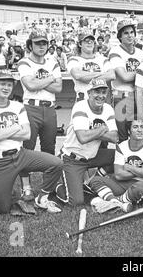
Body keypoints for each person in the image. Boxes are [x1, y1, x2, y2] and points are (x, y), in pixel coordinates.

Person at [0, 71, 63, 214]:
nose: (6, 88)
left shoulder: (17, 106)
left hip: (21, 155)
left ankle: (42, 197)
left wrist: (1, 133)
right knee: (2, 209)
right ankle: (8, 193)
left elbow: (26, 134)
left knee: (56, 163)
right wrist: (15, 128)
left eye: (9, 85)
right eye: (2, 84)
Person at [55, 78, 118, 206]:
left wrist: (92, 132)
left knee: (119, 155)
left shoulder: (108, 108)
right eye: (96, 92)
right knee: (76, 201)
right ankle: (56, 187)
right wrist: (102, 129)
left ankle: (93, 179)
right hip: (72, 159)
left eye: (103, 92)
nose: (100, 96)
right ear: (89, 93)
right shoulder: (80, 106)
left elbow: (115, 137)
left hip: (92, 156)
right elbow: (82, 138)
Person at [17, 29, 63, 202]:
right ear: (30, 45)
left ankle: (47, 188)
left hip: (50, 109)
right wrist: (50, 79)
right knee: (26, 148)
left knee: (49, 149)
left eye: (44, 43)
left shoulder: (53, 62)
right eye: (38, 43)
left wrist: (40, 83)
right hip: (31, 108)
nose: (42, 46)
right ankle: (26, 188)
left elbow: (58, 89)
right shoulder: (24, 62)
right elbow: (30, 85)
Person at [89, 119, 143, 212]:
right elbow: (119, 175)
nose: (139, 130)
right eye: (135, 127)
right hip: (123, 183)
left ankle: (112, 201)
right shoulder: (121, 146)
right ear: (129, 131)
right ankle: (118, 203)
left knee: (137, 189)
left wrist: (130, 167)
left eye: (142, 127)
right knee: (95, 180)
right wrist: (141, 171)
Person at [109, 20, 143, 142]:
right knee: (123, 136)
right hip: (121, 97)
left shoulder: (141, 53)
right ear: (120, 36)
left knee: (139, 134)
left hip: (139, 97)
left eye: (132, 32)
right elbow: (124, 77)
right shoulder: (115, 51)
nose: (130, 35)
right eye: (126, 33)